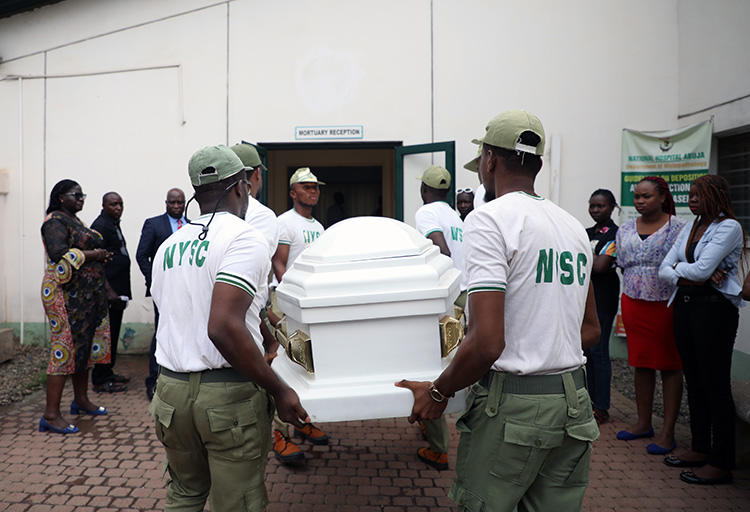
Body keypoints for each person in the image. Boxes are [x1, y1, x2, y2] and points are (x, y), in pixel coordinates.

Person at [397, 110, 601, 511]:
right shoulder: (573, 226)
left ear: (489, 160)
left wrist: (438, 392)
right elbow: (591, 328)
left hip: (515, 410)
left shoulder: (489, 220)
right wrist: (542, 349)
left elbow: (488, 342)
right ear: (538, 164)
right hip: (574, 402)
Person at [148, 145, 308, 511]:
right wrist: (279, 389)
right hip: (227, 397)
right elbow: (221, 327)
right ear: (241, 187)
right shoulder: (244, 238)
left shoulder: (169, 246)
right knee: (236, 502)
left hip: (170, 392)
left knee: (184, 494)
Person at [659, 175, 745, 485]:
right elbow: (664, 269)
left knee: (714, 384)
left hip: (714, 311)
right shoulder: (689, 227)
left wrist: (689, 273)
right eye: (691, 194)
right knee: (693, 380)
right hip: (685, 306)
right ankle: (699, 448)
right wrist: (689, 275)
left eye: (699, 194)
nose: (692, 199)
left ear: (716, 195)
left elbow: (702, 270)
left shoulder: (729, 228)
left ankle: (721, 462)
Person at [615, 176, 686, 454]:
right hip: (633, 301)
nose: (641, 201)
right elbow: (622, 263)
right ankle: (643, 423)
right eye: (638, 197)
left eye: (647, 196)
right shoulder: (625, 229)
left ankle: (668, 433)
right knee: (641, 362)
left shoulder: (679, 228)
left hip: (665, 303)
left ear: (662, 197)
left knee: (669, 365)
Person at [39, 180, 112, 434]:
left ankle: (80, 400)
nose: (81, 198)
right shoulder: (54, 222)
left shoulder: (76, 221)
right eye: (76, 194)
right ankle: (50, 415)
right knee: (64, 349)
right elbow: (59, 253)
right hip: (64, 295)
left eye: (83, 195)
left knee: (84, 350)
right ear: (60, 197)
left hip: (86, 298)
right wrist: (95, 255)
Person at [270, 167, 329, 462]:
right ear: (293, 192)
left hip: (311, 305)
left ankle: (304, 422)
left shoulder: (318, 227)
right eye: (306, 187)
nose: (313, 191)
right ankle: (280, 433)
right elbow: (279, 264)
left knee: (309, 366)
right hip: (290, 304)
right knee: (287, 366)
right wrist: (291, 300)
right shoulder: (285, 223)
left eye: (316, 187)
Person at [413, 165, 467, 470]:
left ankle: (438, 447)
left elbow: (440, 249)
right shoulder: (454, 215)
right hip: (465, 293)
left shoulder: (427, 213)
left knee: (427, 364)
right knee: (451, 363)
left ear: (423, 190)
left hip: (446, 296)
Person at [136, 187, 187, 401]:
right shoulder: (154, 224)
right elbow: (142, 256)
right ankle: (154, 381)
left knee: (185, 331)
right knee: (162, 332)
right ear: (166, 203)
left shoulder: (193, 225)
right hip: (163, 291)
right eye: (172, 203)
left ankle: (180, 377)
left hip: (187, 290)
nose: (176, 206)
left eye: (179, 203)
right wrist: (156, 281)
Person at [90, 192, 132, 393]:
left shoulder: (112, 223)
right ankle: (99, 378)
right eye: (113, 204)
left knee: (113, 333)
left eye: (120, 204)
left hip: (118, 290)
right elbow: (96, 263)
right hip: (109, 293)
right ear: (104, 205)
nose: (118, 207)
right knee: (105, 335)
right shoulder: (100, 226)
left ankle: (108, 372)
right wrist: (109, 291)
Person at [585, 189, 620, 424]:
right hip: (585, 297)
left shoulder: (616, 234)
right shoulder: (585, 232)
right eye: (593, 205)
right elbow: (594, 262)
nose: (596, 210)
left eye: (601, 206)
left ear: (612, 207)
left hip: (604, 296)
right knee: (586, 350)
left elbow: (600, 267)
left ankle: (601, 406)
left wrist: (588, 257)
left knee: (599, 351)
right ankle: (587, 401)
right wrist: (594, 256)